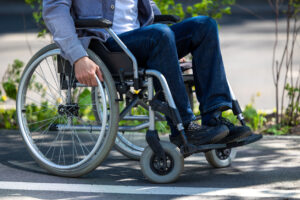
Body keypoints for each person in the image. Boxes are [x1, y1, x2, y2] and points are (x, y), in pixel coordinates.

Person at [43, 0, 252, 146]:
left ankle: (214, 120)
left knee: (204, 26)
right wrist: (78, 56)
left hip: (143, 39)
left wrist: (171, 44)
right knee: (160, 34)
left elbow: (147, 8)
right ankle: (185, 126)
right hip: (107, 45)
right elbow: (54, 11)